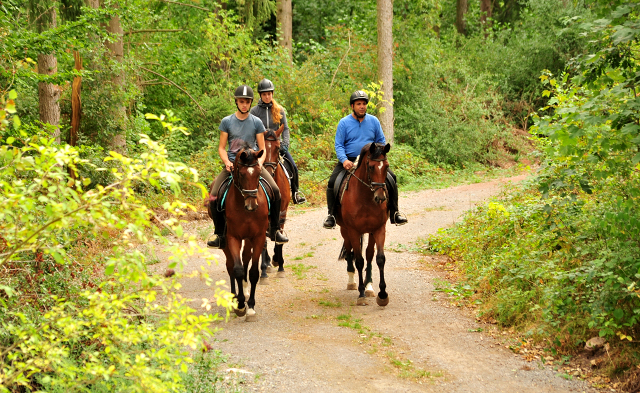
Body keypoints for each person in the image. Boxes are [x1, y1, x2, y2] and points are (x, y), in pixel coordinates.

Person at [207, 84, 289, 249]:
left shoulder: (256, 122)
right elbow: (222, 148)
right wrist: (227, 162)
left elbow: (262, 148)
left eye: (247, 102)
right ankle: (219, 234)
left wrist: (259, 162)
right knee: (214, 195)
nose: (244, 104)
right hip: (233, 165)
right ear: (236, 102)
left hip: (252, 164)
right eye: (241, 101)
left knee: (276, 191)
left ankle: (275, 230)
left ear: (251, 103)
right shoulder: (227, 122)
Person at [323, 90, 408, 229]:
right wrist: (344, 160)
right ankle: (331, 215)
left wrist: (378, 155)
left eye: (364, 104)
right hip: (349, 160)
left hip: (371, 160)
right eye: (358, 104)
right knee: (333, 182)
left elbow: (381, 141)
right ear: (352, 106)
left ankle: (395, 212)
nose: (362, 106)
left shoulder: (373, 121)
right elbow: (338, 144)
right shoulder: (344, 123)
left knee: (392, 178)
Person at [250, 78, 306, 204]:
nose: (267, 96)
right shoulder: (254, 111)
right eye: (264, 94)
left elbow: (285, 128)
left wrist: (285, 144)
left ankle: (295, 193)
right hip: (260, 147)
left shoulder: (279, 109)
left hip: (276, 147)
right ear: (260, 95)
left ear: (272, 94)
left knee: (294, 167)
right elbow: (252, 130)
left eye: (269, 94)